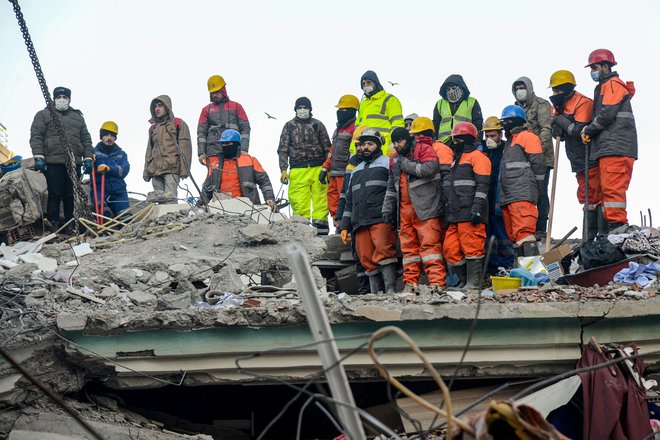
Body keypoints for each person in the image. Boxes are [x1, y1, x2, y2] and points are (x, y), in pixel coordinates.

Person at [383, 122, 445, 292]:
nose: (396, 146)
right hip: (405, 211)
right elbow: (391, 186)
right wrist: (387, 209)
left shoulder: (424, 149)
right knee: (409, 252)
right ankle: (411, 286)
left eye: (399, 142)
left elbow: (429, 169)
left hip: (426, 208)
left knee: (430, 247)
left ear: (407, 139)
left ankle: (436, 284)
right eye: (394, 142)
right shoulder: (395, 159)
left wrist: (405, 164)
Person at [581, 49, 637, 231]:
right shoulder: (605, 86)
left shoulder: (613, 84)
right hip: (610, 148)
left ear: (606, 67)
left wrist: (588, 129)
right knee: (609, 194)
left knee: (613, 196)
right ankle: (610, 237)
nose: (592, 72)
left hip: (616, 148)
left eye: (595, 67)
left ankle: (618, 235)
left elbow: (607, 114)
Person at [341, 128, 397, 294]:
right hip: (359, 222)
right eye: (363, 144)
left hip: (381, 219)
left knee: (385, 252)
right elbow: (349, 201)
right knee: (366, 258)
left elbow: (395, 191)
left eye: (370, 144)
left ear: (378, 145)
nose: (365, 147)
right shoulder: (356, 170)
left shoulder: (388, 162)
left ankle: (390, 291)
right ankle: (375, 294)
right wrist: (345, 226)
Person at [548, 70, 603, 239]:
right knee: (585, 196)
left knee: (595, 194)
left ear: (567, 87)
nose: (555, 94)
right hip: (576, 159)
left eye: (558, 90)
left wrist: (560, 120)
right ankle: (588, 239)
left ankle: (600, 236)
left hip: (589, 155)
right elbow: (561, 133)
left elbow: (577, 130)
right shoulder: (557, 106)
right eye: (553, 90)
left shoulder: (583, 102)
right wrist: (556, 125)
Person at [29, 86, 94, 229]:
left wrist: (88, 157)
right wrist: (39, 156)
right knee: (55, 193)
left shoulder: (78, 118)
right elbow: (36, 136)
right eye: (59, 97)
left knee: (70, 195)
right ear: (54, 98)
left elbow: (86, 139)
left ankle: (70, 224)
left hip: (73, 163)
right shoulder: (44, 114)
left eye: (65, 97)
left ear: (69, 99)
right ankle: (54, 223)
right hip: (53, 162)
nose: (62, 99)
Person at [442, 122, 491, 289]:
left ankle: (474, 283)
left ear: (467, 139)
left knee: (473, 248)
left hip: (471, 211)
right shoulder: (456, 160)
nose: (455, 143)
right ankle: (465, 281)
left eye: (458, 139)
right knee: (450, 249)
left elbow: (483, 185)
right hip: (456, 213)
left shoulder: (478, 157)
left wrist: (477, 208)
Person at [278, 97, 332, 234]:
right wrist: (283, 170)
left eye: (305, 107)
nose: (302, 110)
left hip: (318, 168)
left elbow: (327, 148)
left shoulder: (317, 125)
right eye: (299, 107)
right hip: (298, 169)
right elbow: (283, 149)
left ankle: (322, 231)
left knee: (321, 200)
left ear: (310, 109)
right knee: (299, 202)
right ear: (295, 109)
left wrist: (328, 168)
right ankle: (302, 232)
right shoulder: (289, 126)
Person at [499, 105, 546, 257]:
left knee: (524, 233)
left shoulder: (528, 137)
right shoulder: (509, 143)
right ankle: (522, 272)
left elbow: (539, 166)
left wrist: (538, 192)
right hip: (509, 196)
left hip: (522, 193)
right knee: (515, 236)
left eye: (508, 121)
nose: (505, 124)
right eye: (504, 121)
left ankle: (534, 272)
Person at [511, 76, 553, 241]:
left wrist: (538, 151)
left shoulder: (541, 105)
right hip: (522, 159)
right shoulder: (515, 109)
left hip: (541, 156)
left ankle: (541, 228)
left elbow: (545, 129)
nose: (519, 91)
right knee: (526, 194)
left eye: (522, 87)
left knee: (541, 192)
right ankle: (528, 228)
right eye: (517, 88)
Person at [197, 75, 251, 192]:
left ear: (223, 90)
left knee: (234, 177)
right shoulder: (206, 110)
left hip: (233, 150)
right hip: (213, 151)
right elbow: (201, 133)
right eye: (212, 93)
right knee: (213, 179)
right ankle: (209, 203)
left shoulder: (237, 107)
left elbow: (245, 129)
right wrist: (201, 153)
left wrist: (244, 150)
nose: (214, 95)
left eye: (216, 92)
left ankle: (237, 202)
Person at [205, 129, 277, 211]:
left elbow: (264, 181)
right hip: (221, 209)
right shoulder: (215, 165)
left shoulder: (250, 161)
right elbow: (206, 188)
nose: (225, 146)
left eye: (228, 143)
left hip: (247, 208)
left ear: (237, 144)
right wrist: (199, 206)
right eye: (223, 143)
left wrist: (270, 198)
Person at [481, 116, 515, 274]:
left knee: (503, 237)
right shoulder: (481, 152)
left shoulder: (507, 150)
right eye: (486, 136)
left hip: (500, 202)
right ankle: (490, 271)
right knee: (487, 239)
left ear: (500, 135)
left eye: (492, 135)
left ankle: (506, 267)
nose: (489, 139)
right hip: (484, 205)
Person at [143, 95, 193, 201]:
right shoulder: (153, 128)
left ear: (167, 106)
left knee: (170, 200)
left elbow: (185, 148)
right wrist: (146, 171)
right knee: (159, 201)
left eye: (160, 105)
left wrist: (185, 170)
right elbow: (149, 150)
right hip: (155, 171)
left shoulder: (178, 124)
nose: (157, 109)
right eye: (155, 106)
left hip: (172, 169)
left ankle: (172, 218)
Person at [320, 95, 358, 229]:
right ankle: (338, 225)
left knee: (345, 200)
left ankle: (346, 226)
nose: (340, 112)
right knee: (332, 198)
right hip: (334, 173)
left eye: (343, 109)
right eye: (339, 109)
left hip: (345, 172)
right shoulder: (338, 130)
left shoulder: (355, 128)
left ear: (352, 111)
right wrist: (325, 168)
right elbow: (332, 151)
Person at [354, 70, 405, 156]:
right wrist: (353, 149)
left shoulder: (389, 99)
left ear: (376, 83)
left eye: (369, 82)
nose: (366, 85)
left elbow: (397, 123)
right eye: (363, 84)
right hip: (363, 151)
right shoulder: (362, 104)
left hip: (383, 148)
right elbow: (357, 130)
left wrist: (394, 143)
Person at [91, 121, 130, 218]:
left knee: (125, 218)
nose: (109, 138)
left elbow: (124, 170)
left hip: (119, 191)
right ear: (101, 136)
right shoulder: (93, 152)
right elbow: (88, 169)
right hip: (100, 189)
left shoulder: (122, 154)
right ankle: (105, 232)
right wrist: (90, 161)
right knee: (104, 215)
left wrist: (109, 169)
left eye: (112, 136)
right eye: (106, 135)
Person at [432, 74, 483, 145]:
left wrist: (478, 141)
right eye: (448, 89)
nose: (451, 91)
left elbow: (478, 123)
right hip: (443, 142)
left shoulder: (472, 102)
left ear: (461, 88)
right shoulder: (440, 103)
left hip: (464, 141)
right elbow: (435, 124)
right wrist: (434, 140)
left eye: (453, 88)